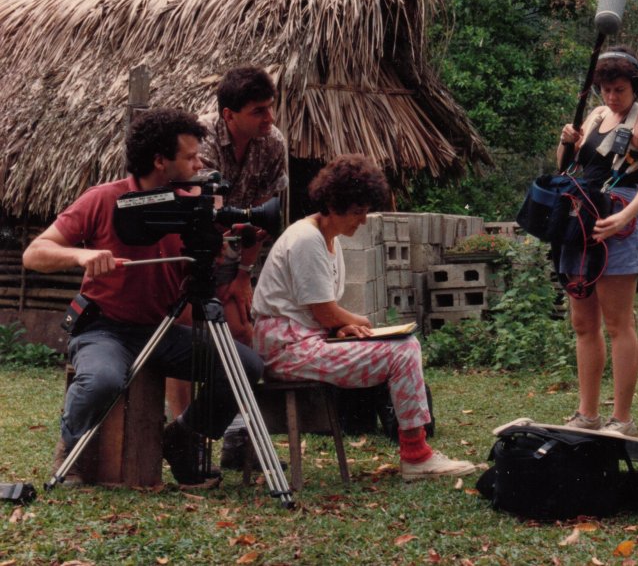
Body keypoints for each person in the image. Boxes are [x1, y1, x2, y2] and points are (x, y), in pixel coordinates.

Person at [23, 108, 264, 486]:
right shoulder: (103, 199)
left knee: (246, 367)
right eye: (189, 157)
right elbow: (34, 253)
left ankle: (183, 437)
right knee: (101, 381)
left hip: (159, 330)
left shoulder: (192, 205)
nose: (199, 163)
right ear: (159, 160)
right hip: (104, 328)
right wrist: (82, 255)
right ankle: (71, 450)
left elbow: (205, 276)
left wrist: (225, 249)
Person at [250, 154, 476, 481]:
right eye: (357, 212)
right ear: (332, 204)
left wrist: (344, 327)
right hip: (286, 350)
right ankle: (416, 455)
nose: (363, 221)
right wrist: (357, 321)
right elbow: (325, 311)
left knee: (400, 345)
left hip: (302, 342)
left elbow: (320, 314)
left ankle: (416, 451)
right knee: (402, 349)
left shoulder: (328, 240)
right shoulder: (306, 239)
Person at [172, 66, 287, 468]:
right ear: (228, 115)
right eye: (258, 111)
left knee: (242, 332)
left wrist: (242, 276)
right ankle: (185, 439)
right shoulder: (199, 139)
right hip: (190, 253)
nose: (268, 119)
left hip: (238, 256)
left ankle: (238, 440)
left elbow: (265, 217)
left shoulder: (273, 144)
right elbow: (194, 208)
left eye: (270, 109)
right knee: (187, 335)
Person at [555, 46, 638, 437]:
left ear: (635, 87)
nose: (612, 97)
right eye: (605, 89)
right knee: (583, 322)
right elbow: (568, 167)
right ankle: (588, 413)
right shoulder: (598, 114)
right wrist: (567, 140)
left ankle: (622, 419)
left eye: (619, 89)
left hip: (621, 225)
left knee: (618, 322)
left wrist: (626, 214)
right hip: (581, 221)